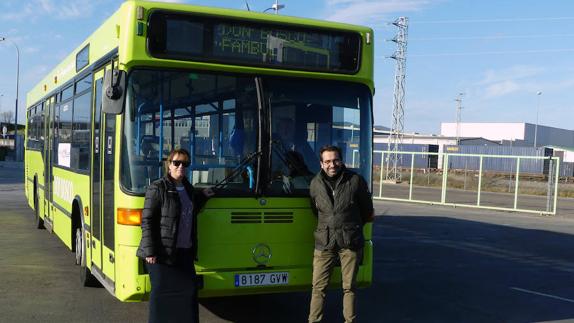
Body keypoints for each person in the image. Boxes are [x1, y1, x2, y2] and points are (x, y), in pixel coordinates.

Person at [136, 148, 214, 323]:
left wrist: (204, 197)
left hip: (184, 252)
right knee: (161, 297)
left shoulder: (188, 188)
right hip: (161, 255)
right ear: (168, 165)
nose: (180, 167)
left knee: (190, 293)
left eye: (185, 163)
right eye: (176, 163)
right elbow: (147, 220)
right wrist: (150, 252)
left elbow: (187, 210)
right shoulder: (158, 187)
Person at [308, 145, 374, 323]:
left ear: (341, 161)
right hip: (324, 241)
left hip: (350, 241)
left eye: (335, 160)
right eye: (327, 161)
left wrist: (349, 225)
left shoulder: (355, 181)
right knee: (318, 287)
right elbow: (316, 211)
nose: (332, 165)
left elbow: (368, 211)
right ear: (321, 164)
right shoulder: (315, 184)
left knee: (349, 287)